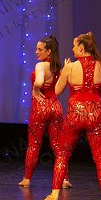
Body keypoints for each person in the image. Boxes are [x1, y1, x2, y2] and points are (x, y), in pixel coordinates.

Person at [43, 32, 101, 200]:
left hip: (75, 114)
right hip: (95, 113)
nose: (72, 49)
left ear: (82, 48)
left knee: (62, 153)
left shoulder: (70, 67)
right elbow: (100, 92)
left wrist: (65, 72)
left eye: (74, 46)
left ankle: (54, 195)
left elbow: (57, 91)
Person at [18, 35, 72, 188]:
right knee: (58, 145)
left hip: (40, 108)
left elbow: (40, 81)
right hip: (55, 107)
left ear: (48, 52)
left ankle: (27, 179)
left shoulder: (41, 65)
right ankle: (65, 179)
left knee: (34, 145)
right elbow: (60, 88)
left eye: (40, 49)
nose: (36, 52)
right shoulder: (58, 68)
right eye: (36, 49)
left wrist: (35, 88)